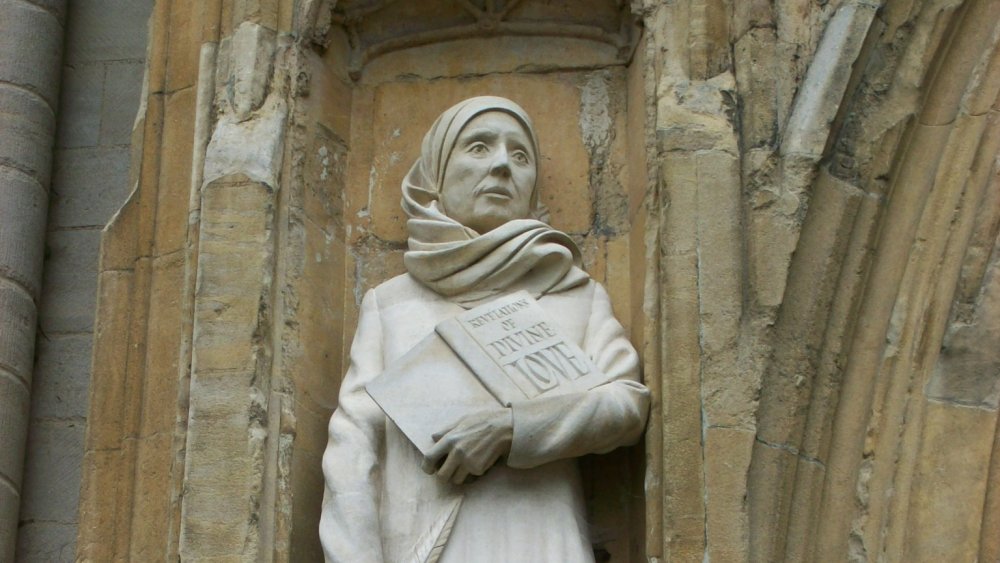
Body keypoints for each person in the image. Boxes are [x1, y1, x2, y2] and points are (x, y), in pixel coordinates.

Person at [320, 96, 649, 562]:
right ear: (436, 174)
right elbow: (353, 449)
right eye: (478, 147)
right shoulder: (390, 304)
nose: (501, 165)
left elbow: (625, 404)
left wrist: (512, 429)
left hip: (538, 543)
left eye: (520, 155)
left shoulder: (573, 295)